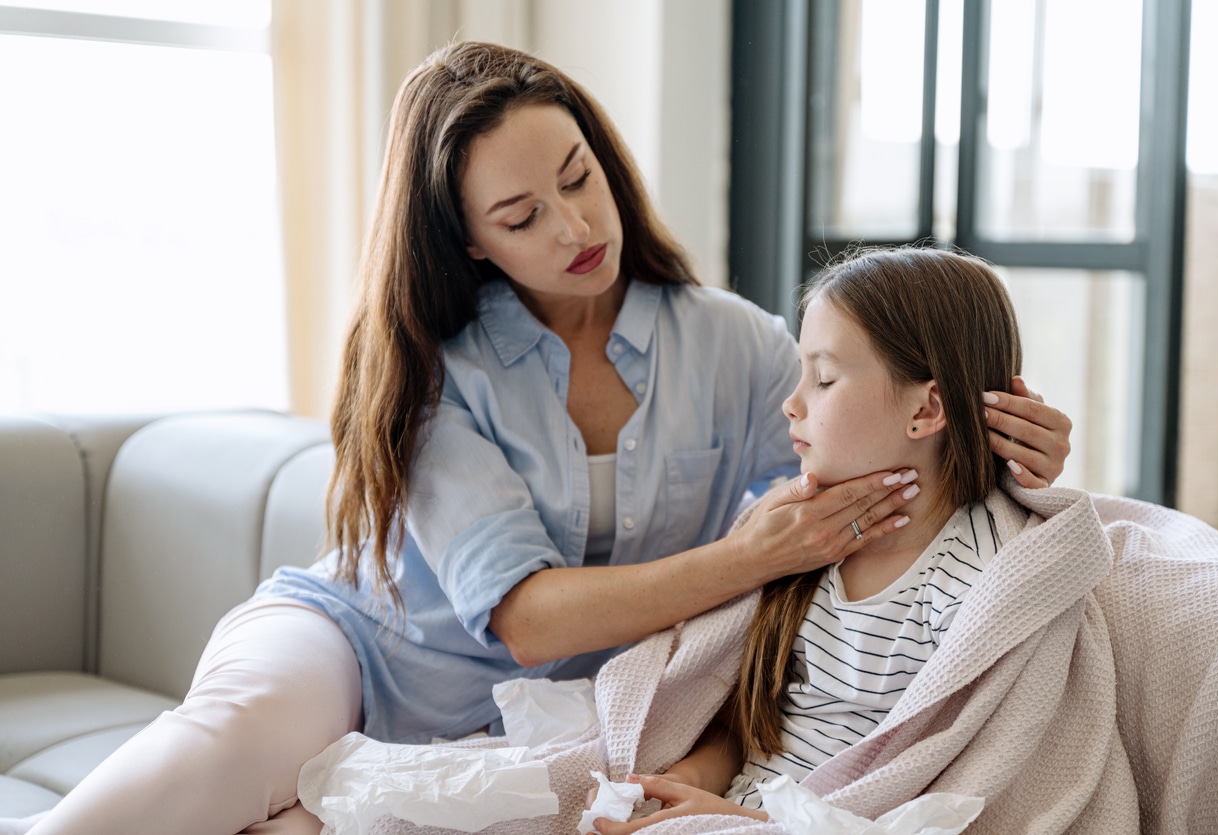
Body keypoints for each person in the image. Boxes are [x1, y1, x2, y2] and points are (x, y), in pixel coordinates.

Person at [24, 43, 1070, 835]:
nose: (574, 229)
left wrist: (1009, 446)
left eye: (578, 177)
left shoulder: (729, 344)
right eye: (521, 216)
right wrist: (748, 556)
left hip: (572, 713)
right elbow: (524, 619)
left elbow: (881, 444)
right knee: (217, 758)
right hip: (360, 647)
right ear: (466, 238)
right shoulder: (433, 367)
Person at [591, 245, 1045, 831]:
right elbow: (745, 725)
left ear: (926, 409)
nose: (792, 403)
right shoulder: (806, 542)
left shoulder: (976, 581)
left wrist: (730, 820)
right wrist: (686, 781)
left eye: (823, 378)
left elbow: (936, 784)